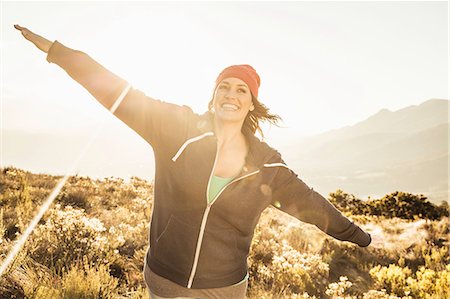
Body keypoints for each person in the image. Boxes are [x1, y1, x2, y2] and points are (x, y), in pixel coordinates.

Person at [14, 24, 371, 299]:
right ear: (214, 95)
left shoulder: (267, 164)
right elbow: (116, 91)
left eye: (241, 90)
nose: (231, 94)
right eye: (224, 87)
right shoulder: (177, 129)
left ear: (251, 103)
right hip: (166, 279)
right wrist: (58, 53)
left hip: (225, 287)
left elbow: (311, 204)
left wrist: (361, 237)